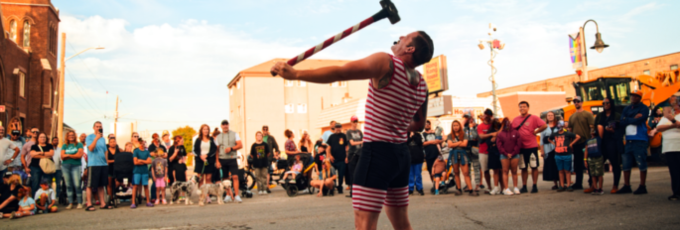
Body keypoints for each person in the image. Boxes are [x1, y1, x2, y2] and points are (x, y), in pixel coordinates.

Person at [271, 30, 432, 229]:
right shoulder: (422, 83)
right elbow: (419, 124)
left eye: (405, 37)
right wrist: (395, 123)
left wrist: (296, 74)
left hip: (377, 154)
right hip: (400, 155)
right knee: (401, 222)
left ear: (410, 48)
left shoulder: (387, 62)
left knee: (364, 224)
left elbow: (342, 72)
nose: (400, 36)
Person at [618, 91, 650, 195]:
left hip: (640, 139)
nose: (633, 97)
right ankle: (627, 185)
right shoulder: (626, 108)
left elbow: (639, 120)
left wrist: (627, 119)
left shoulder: (644, 108)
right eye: (632, 95)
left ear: (640, 98)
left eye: (636, 96)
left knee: (641, 163)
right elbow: (621, 122)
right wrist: (632, 118)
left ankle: (642, 186)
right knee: (626, 164)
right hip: (628, 140)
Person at [512, 101, 547, 194]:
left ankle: (534, 185)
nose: (522, 108)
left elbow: (544, 125)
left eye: (524, 106)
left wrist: (536, 132)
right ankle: (524, 186)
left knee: (534, 166)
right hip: (521, 148)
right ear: (518, 108)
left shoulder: (534, 118)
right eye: (520, 107)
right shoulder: (515, 119)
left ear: (528, 108)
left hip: (532, 146)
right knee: (523, 167)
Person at [595, 97, 624, 193]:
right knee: (597, 164)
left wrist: (613, 131)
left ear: (611, 103)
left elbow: (622, 130)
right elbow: (595, 128)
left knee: (615, 164)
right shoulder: (599, 116)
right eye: (603, 103)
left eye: (607, 102)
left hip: (613, 142)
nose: (605, 104)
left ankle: (615, 186)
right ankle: (594, 186)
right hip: (601, 142)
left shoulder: (617, 115)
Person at [567, 96, 595, 192]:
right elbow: (570, 131)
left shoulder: (587, 114)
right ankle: (578, 183)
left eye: (578, 101)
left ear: (582, 102)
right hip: (576, 143)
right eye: (574, 101)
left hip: (586, 142)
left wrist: (592, 140)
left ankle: (592, 182)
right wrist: (570, 144)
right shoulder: (571, 116)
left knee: (588, 163)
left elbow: (592, 128)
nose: (576, 103)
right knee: (577, 164)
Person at [656, 94, 680, 200]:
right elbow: (659, 128)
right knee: (673, 171)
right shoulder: (667, 116)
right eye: (672, 103)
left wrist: (673, 121)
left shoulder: (671, 117)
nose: (674, 105)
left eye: (675, 103)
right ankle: (676, 192)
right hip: (669, 147)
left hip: (678, 145)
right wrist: (673, 125)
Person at [85, 122, 113, 211]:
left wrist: (106, 162)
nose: (98, 128)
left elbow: (105, 151)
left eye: (100, 126)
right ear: (93, 128)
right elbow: (90, 148)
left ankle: (103, 203)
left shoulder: (103, 139)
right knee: (90, 185)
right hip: (93, 164)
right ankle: (89, 204)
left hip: (103, 164)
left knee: (101, 185)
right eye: (97, 126)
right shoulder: (89, 137)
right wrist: (96, 138)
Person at [215, 120, 243, 203]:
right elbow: (216, 150)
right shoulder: (218, 136)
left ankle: (237, 195)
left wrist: (231, 148)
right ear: (221, 126)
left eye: (226, 124)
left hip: (232, 158)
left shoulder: (234, 134)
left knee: (235, 177)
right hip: (222, 159)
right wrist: (217, 161)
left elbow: (240, 145)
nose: (225, 126)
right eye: (223, 125)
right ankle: (228, 195)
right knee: (225, 178)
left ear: (228, 125)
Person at [549, 121, 580, 192]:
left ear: (563, 127)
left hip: (567, 154)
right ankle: (562, 185)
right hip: (558, 155)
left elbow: (578, 137)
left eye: (561, 126)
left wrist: (571, 143)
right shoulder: (554, 134)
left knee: (567, 171)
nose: (560, 128)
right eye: (558, 126)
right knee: (560, 171)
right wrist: (554, 144)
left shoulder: (567, 133)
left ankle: (568, 185)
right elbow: (549, 139)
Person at [478, 109, 501, 195]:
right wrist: (492, 134)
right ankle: (489, 187)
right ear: (483, 115)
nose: (487, 116)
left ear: (491, 116)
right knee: (486, 170)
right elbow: (481, 136)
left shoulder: (495, 124)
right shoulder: (480, 126)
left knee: (496, 169)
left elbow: (501, 131)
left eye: (489, 115)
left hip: (494, 150)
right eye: (485, 115)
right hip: (483, 150)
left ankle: (497, 187)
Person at [497, 118, 521, 195]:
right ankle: (506, 188)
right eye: (505, 122)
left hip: (515, 155)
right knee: (505, 171)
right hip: (504, 155)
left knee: (514, 171)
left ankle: (515, 187)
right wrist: (506, 153)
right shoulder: (500, 134)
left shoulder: (516, 132)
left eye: (508, 122)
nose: (507, 124)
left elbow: (518, 143)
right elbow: (499, 145)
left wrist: (513, 153)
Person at [60, 131, 84, 209]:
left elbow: (79, 155)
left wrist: (68, 155)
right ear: (67, 136)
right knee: (68, 185)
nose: (71, 136)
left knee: (77, 184)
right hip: (65, 166)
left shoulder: (79, 144)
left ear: (75, 136)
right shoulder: (64, 145)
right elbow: (62, 157)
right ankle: (70, 203)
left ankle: (79, 202)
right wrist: (74, 155)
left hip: (76, 166)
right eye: (69, 135)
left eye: (72, 135)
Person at [447, 120, 471, 195]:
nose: (455, 127)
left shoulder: (464, 134)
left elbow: (465, 144)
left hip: (463, 154)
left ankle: (470, 189)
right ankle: (459, 189)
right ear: (452, 127)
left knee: (466, 173)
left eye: (457, 125)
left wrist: (455, 143)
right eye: (454, 125)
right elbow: (450, 145)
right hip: (454, 154)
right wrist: (460, 142)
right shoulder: (450, 135)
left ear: (459, 126)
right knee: (456, 172)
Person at [28, 132, 54, 198]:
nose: (42, 138)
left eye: (44, 137)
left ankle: (47, 200)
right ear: (38, 139)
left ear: (46, 138)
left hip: (47, 167)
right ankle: (35, 200)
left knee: (47, 184)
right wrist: (45, 154)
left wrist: (39, 153)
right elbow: (33, 155)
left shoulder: (49, 146)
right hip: (35, 167)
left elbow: (51, 154)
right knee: (35, 184)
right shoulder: (34, 146)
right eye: (41, 137)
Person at [326, 123, 349, 194]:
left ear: (341, 128)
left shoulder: (344, 136)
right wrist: (330, 155)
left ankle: (340, 187)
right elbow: (328, 148)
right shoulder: (331, 136)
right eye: (337, 127)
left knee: (341, 175)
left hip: (342, 160)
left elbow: (347, 147)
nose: (338, 129)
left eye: (339, 127)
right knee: (332, 174)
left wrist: (346, 157)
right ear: (334, 128)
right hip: (333, 160)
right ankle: (333, 187)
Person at [540, 111, 560, 190]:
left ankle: (562, 183)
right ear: (546, 117)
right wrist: (542, 151)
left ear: (554, 116)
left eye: (552, 115)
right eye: (549, 115)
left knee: (559, 165)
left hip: (558, 148)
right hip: (548, 149)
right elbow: (541, 140)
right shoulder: (544, 127)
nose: (550, 116)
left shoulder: (558, 126)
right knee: (551, 166)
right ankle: (555, 183)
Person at [346, 116, 364, 198]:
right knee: (352, 173)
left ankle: (360, 192)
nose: (355, 123)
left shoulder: (359, 132)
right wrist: (361, 141)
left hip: (360, 154)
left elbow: (364, 142)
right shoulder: (349, 132)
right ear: (351, 122)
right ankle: (352, 192)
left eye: (356, 121)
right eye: (354, 121)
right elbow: (352, 143)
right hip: (352, 154)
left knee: (360, 173)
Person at [464, 114, 481, 195]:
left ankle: (477, 185)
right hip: (466, 151)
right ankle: (468, 185)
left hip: (475, 150)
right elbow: (464, 138)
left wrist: (471, 128)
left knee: (476, 168)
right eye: (469, 121)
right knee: (467, 169)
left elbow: (475, 136)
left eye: (472, 121)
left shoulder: (477, 128)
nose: (471, 122)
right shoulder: (464, 129)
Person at [132, 138, 153, 208]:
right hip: (137, 171)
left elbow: (150, 161)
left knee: (146, 186)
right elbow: (135, 162)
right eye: (141, 143)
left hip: (145, 171)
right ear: (138, 143)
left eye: (143, 143)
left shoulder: (147, 152)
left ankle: (148, 201)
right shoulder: (136, 151)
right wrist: (145, 161)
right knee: (135, 186)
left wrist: (140, 160)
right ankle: (133, 203)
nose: (142, 144)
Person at [423, 120, 443, 191]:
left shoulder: (435, 133)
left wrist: (440, 133)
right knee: (430, 171)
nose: (427, 125)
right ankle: (434, 184)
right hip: (428, 155)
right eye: (426, 124)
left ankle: (437, 185)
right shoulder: (423, 134)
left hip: (437, 154)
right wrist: (432, 141)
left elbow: (441, 140)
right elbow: (423, 143)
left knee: (438, 171)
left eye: (428, 124)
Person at [585, 130, 604, 195]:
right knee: (592, 174)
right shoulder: (587, 141)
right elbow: (586, 150)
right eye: (591, 131)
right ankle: (595, 188)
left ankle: (600, 188)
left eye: (594, 130)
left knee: (599, 174)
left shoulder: (599, 138)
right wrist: (585, 160)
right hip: (590, 158)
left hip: (598, 157)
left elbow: (600, 131)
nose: (592, 132)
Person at [262, 125, 279, 194]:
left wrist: (276, 154)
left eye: (266, 129)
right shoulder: (261, 137)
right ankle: (262, 187)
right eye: (264, 129)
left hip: (268, 157)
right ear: (262, 130)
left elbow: (276, 146)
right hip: (261, 157)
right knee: (262, 172)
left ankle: (267, 187)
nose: (265, 131)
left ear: (268, 130)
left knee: (267, 172)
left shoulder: (271, 138)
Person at [407, 131, 425, 196]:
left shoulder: (418, 135)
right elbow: (405, 142)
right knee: (410, 175)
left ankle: (419, 188)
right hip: (409, 159)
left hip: (418, 158)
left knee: (418, 175)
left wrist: (414, 136)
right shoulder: (406, 134)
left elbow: (419, 142)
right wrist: (410, 136)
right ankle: (410, 189)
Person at [105, 137, 120, 207]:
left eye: (114, 141)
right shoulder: (107, 151)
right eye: (111, 142)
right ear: (109, 143)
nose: (113, 143)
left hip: (117, 169)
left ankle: (116, 197)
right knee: (109, 184)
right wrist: (115, 161)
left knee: (117, 184)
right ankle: (110, 198)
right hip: (109, 169)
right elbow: (106, 161)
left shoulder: (119, 150)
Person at [49, 137, 63, 202]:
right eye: (54, 140)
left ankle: (57, 197)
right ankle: (51, 197)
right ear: (52, 141)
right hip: (50, 169)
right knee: (49, 183)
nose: (55, 141)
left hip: (58, 169)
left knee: (58, 184)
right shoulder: (49, 149)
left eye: (57, 140)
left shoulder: (60, 149)